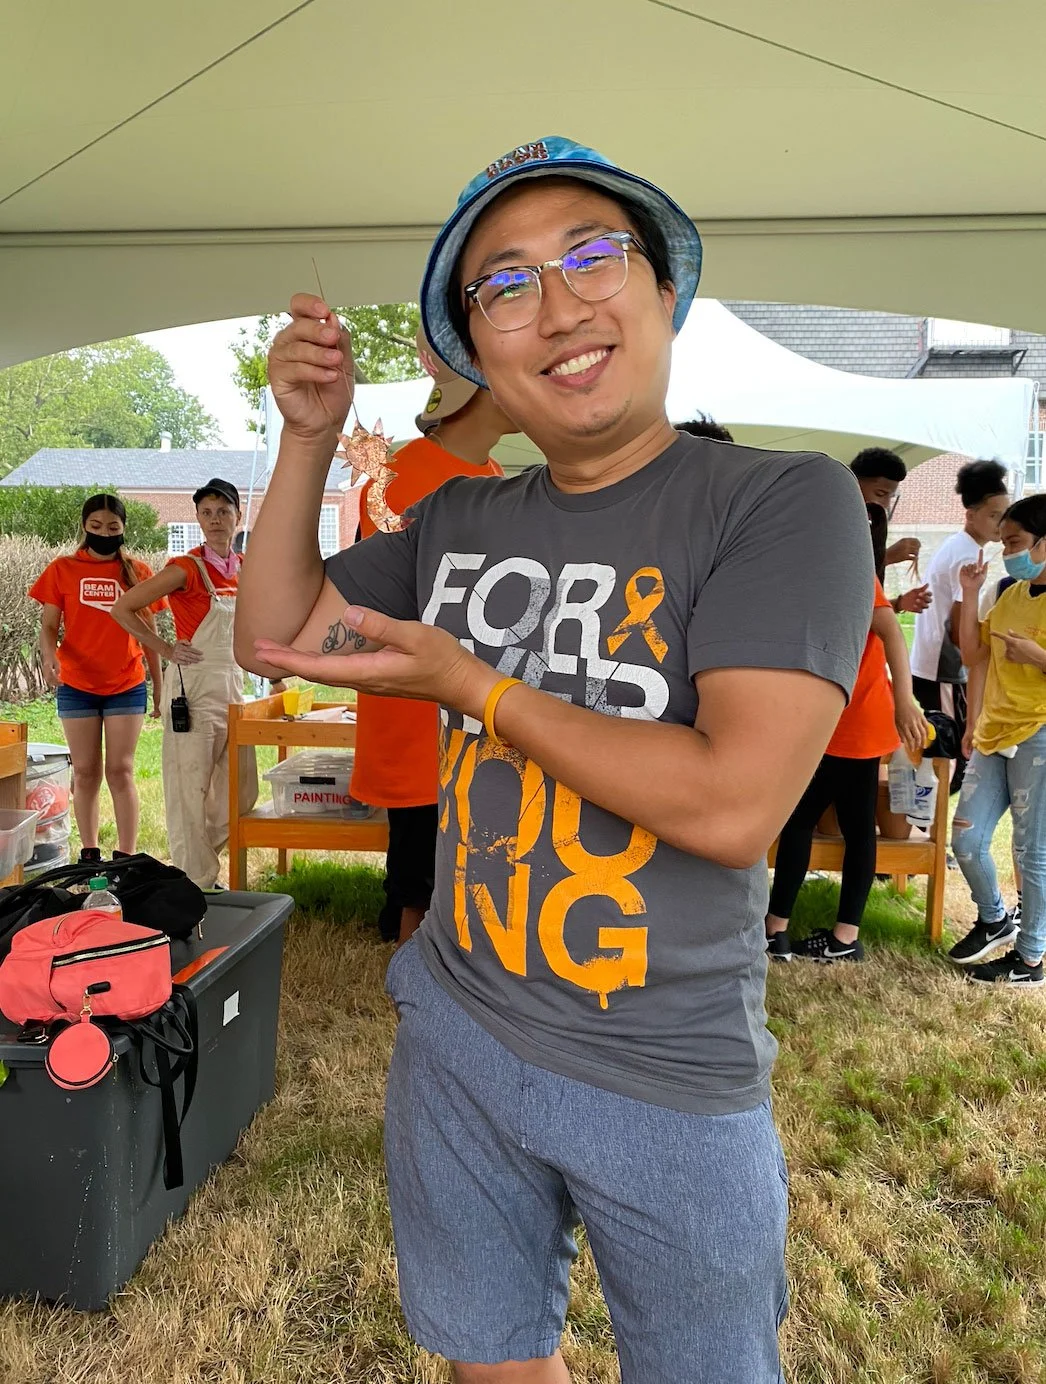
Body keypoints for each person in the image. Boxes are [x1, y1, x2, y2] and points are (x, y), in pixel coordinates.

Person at [236, 136, 871, 1383]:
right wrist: (306, 439)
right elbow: (282, 630)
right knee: (489, 1361)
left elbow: (734, 801)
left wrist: (475, 687)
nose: (560, 303)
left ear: (662, 290)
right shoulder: (464, 516)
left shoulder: (778, 502)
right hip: (458, 1032)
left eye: (592, 254)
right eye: (506, 284)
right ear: (478, 354)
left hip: (665, 1071)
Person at [354, 331, 512, 945]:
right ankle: (411, 948)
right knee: (420, 834)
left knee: (464, 829)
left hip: (479, 689)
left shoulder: (497, 473)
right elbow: (379, 590)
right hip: (417, 689)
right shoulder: (401, 476)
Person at [765, 505, 930, 962]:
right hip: (844, 722)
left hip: (847, 724)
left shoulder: (847, 574)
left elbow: (891, 632)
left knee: (801, 820)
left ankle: (777, 928)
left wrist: (906, 699)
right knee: (856, 829)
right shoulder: (824, 573)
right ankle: (842, 938)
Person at [110, 478, 258, 888]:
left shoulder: (245, 568)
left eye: (223, 512)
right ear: (197, 518)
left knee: (240, 792)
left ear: (237, 516)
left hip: (234, 687)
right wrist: (164, 647)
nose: (215, 520)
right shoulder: (186, 568)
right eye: (207, 513)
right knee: (189, 790)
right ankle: (196, 884)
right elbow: (124, 608)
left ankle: (193, 870)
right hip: (192, 690)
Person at [28, 494, 164, 862]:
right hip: (77, 685)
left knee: (121, 771)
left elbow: (150, 636)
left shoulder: (139, 572)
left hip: (126, 683)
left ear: (123, 529)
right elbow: (49, 625)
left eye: (113, 527)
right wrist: (48, 655)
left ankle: (126, 856)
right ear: (85, 527)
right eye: (97, 526)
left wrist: (159, 687)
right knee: (85, 772)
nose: (105, 533)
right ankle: (89, 855)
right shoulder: (62, 569)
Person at [946, 494, 1046, 982]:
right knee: (965, 838)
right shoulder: (1009, 593)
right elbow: (974, 654)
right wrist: (969, 592)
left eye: (1018, 543)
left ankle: (1030, 958)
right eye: (1005, 543)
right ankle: (994, 919)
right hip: (994, 733)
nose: (1009, 552)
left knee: (1032, 852)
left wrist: (1038, 657)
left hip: (1040, 736)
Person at [910, 460, 1009, 791]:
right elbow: (956, 625)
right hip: (944, 668)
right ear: (971, 515)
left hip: (935, 665)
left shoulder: (960, 544)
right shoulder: (968, 555)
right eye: (994, 515)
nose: (1001, 524)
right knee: (950, 754)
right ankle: (928, 827)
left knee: (945, 752)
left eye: (1004, 515)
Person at [848, 447, 930, 613]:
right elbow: (843, 585)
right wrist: (885, 557)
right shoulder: (831, 529)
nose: (885, 505)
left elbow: (866, 612)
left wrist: (900, 604)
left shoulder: (869, 529)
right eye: (880, 493)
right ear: (852, 484)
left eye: (890, 497)